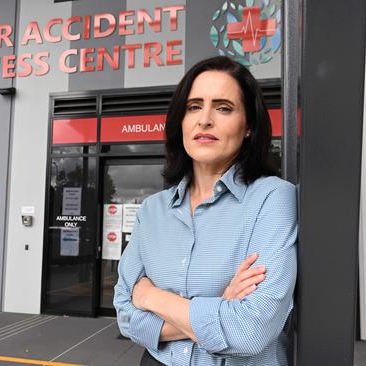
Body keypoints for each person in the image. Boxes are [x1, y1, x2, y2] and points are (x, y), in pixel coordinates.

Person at [113, 56, 298, 366]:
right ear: (181, 120)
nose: (205, 120)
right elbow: (124, 314)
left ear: (249, 125)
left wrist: (151, 298)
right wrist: (220, 307)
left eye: (223, 107)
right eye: (194, 106)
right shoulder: (152, 210)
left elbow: (250, 330)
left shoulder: (272, 199)